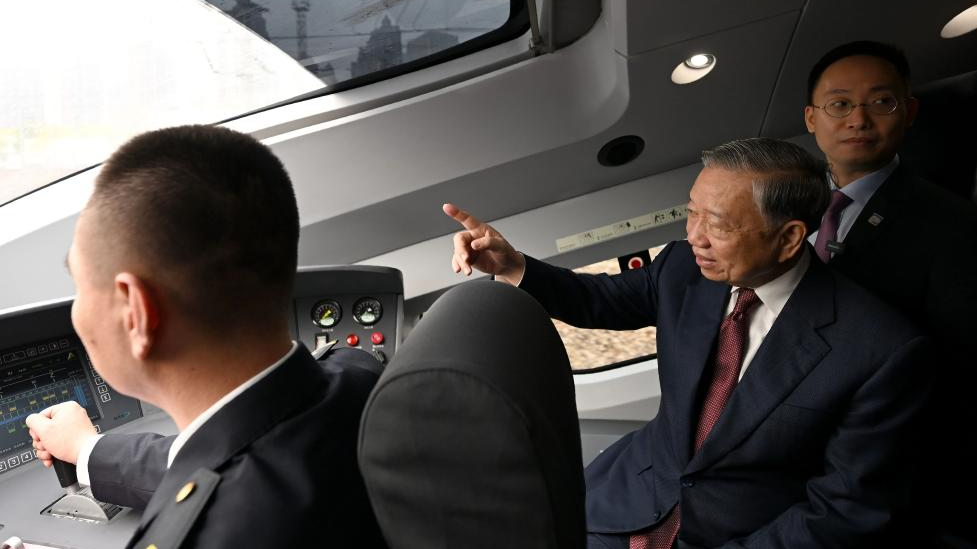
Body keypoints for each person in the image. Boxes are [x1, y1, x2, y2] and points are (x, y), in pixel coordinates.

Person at [445, 137, 929, 548]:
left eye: (717, 225)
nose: (694, 236)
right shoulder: (683, 268)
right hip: (628, 496)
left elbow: (843, 510)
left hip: (742, 534)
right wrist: (511, 265)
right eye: (691, 212)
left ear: (789, 239)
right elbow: (597, 300)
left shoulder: (879, 350)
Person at [25, 125, 386, 549]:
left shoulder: (209, 536)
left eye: (81, 286)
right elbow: (228, 446)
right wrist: (88, 450)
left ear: (136, 313)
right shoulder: (359, 375)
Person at [804, 41, 977, 547]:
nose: (858, 119)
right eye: (840, 105)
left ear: (909, 113)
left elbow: (958, 372)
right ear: (812, 118)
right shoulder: (789, 203)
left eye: (881, 103)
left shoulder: (952, 226)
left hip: (886, 465)